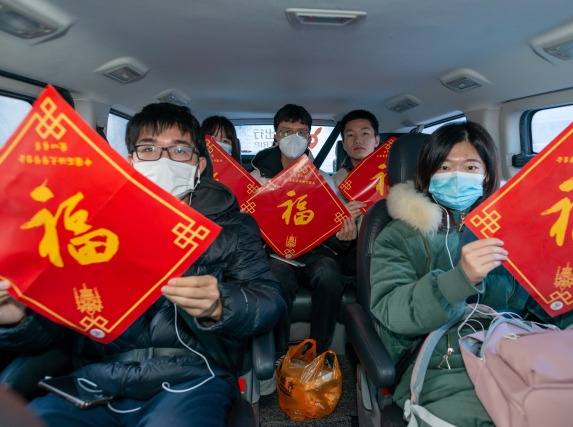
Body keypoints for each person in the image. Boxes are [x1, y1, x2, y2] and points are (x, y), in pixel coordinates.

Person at [0, 103, 285, 427]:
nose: (163, 160)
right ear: (130, 161)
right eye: (149, 149)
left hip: (193, 377)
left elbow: (269, 300)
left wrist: (223, 303)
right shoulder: (89, 228)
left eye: (178, 150)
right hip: (94, 381)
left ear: (198, 164)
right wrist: (16, 319)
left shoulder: (233, 228)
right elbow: (57, 325)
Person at [369, 122, 573, 426]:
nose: (457, 175)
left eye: (470, 166)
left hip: (523, 348)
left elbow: (557, 315)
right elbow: (392, 310)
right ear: (428, 173)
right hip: (443, 360)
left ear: (486, 174)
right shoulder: (399, 235)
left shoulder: (520, 230)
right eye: (445, 167)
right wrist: (459, 280)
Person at [250, 103, 357, 355]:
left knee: (330, 273)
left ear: (310, 138)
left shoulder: (323, 179)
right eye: (286, 131)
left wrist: (344, 235)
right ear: (276, 137)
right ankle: (276, 354)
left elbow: (333, 229)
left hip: (314, 252)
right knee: (277, 277)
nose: (294, 138)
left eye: (301, 132)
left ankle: (318, 350)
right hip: (274, 253)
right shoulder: (257, 179)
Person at [331, 109, 381, 275]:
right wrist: (342, 224)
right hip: (353, 252)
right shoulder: (334, 182)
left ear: (376, 140)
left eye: (365, 133)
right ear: (344, 145)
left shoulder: (395, 174)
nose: (358, 140)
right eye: (350, 135)